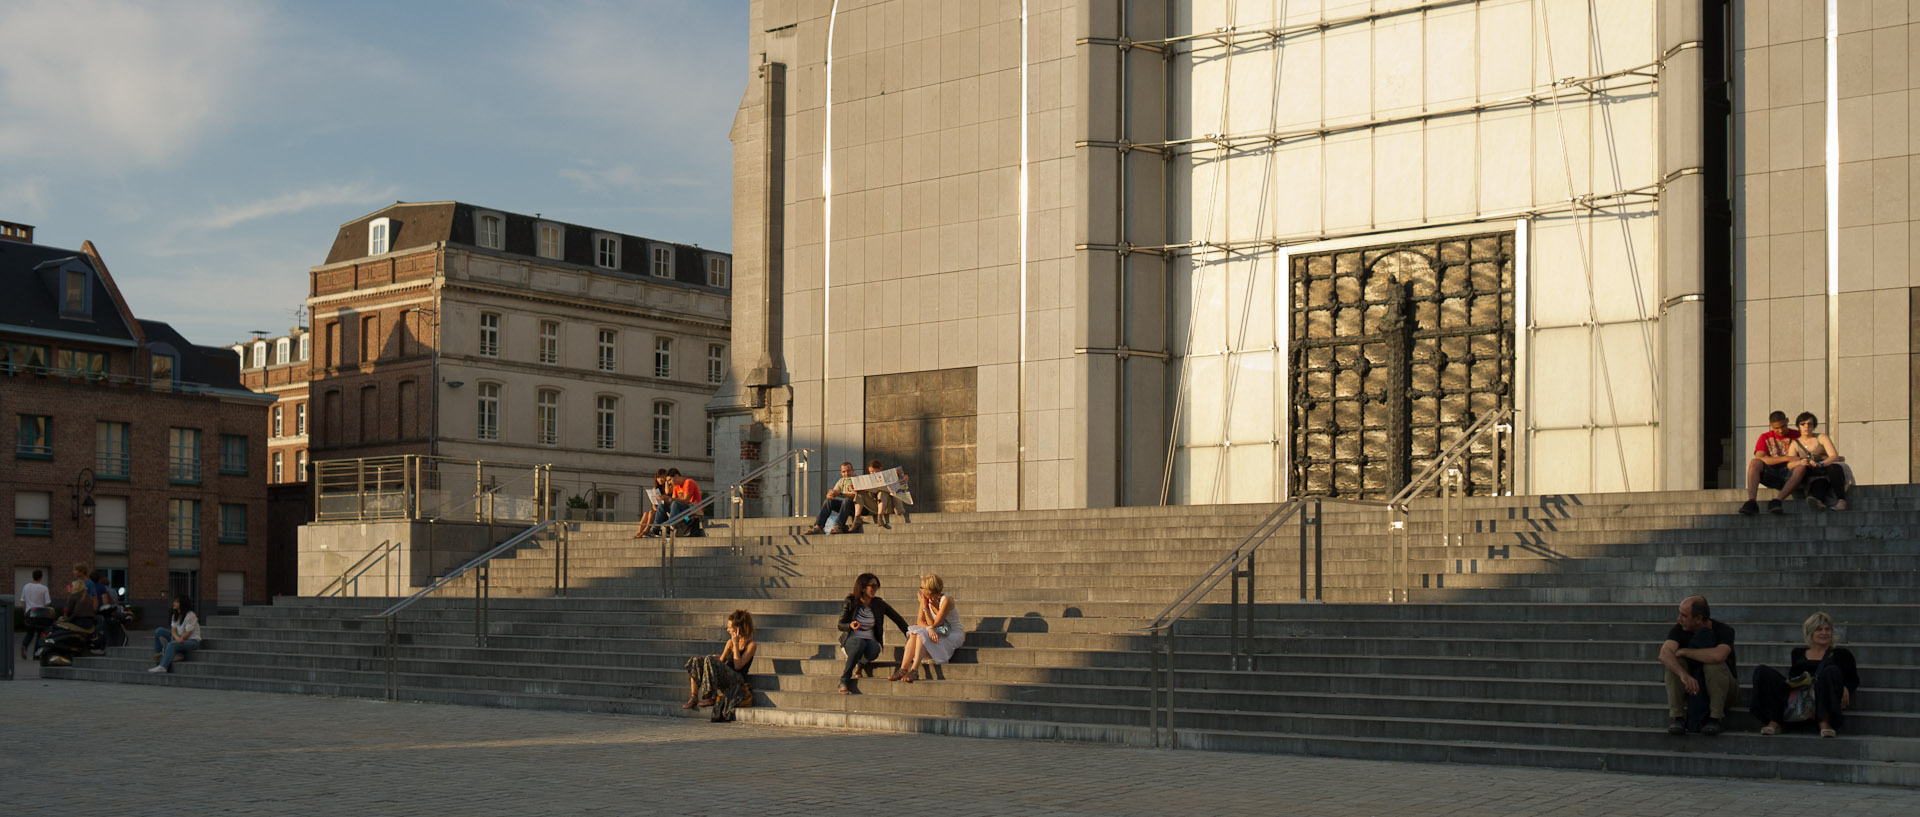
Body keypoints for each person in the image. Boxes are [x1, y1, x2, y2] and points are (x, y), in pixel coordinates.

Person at [1751, 611, 1860, 738]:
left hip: (1824, 692)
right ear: (1810, 632)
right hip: (1800, 694)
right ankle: (1775, 720)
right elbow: (1793, 677)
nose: (1824, 633)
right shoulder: (1798, 653)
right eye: (1819, 629)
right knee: (1762, 671)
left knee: (1831, 670)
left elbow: (1853, 679)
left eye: (1827, 629)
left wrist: (1845, 686)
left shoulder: (1842, 654)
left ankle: (1825, 722)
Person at [1658, 594, 1738, 736]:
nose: (1679, 619)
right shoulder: (1679, 629)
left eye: (1684, 615)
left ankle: (1715, 718)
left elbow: (1717, 656)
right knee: (1674, 665)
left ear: (1699, 619)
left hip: (1725, 691)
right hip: (1693, 689)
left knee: (1714, 665)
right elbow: (1664, 654)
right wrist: (1684, 675)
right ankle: (1678, 717)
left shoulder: (1723, 630)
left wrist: (1686, 652)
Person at [836, 572, 909, 694]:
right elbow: (840, 624)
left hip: (870, 641)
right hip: (852, 640)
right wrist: (850, 625)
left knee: (874, 649)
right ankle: (844, 680)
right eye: (872, 586)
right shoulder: (850, 601)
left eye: (877, 586)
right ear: (863, 587)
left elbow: (897, 618)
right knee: (859, 643)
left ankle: (860, 663)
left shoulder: (878, 603)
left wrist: (909, 634)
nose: (875, 589)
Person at [683, 609, 757, 721]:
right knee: (696, 660)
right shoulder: (729, 642)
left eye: (730, 627)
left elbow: (738, 666)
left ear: (739, 628)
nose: (727, 630)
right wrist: (716, 659)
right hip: (725, 675)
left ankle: (711, 697)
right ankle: (694, 696)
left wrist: (736, 644)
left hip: (737, 680)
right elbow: (720, 662)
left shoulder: (751, 645)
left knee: (709, 659)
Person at [891, 574, 962, 682]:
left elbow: (935, 623)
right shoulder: (925, 599)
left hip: (951, 633)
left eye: (922, 587)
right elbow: (919, 621)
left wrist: (924, 606)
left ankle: (914, 670)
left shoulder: (946, 600)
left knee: (921, 634)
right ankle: (903, 669)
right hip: (935, 631)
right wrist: (928, 628)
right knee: (916, 633)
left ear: (929, 589)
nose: (920, 590)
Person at [1740, 411, 1807, 515]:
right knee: (1754, 462)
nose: (1780, 430)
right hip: (1772, 473)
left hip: (1792, 474)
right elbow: (1760, 458)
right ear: (1770, 426)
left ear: (1787, 421)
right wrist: (1787, 458)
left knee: (1801, 467)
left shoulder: (1798, 435)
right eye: (1776, 428)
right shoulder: (1765, 437)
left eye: (1783, 426)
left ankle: (1777, 501)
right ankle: (1751, 502)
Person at [1786, 413, 1849, 511]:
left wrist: (1821, 464)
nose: (1806, 426)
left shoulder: (1821, 437)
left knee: (1834, 468)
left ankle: (1841, 501)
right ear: (1798, 426)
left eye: (1809, 424)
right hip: (1812, 473)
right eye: (1803, 424)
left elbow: (1834, 456)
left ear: (1814, 425)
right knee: (1819, 482)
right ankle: (1819, 502)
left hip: (1827, 468)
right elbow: (1790, 464)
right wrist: (1801, 463)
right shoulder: (1795, 444)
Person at [803, 462, 862, 535]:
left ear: (853, 470)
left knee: (847, 500)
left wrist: (840, 494)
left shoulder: (858, 480)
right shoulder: (841, 481)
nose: (846, 474)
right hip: (846, 507)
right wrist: (830, 494)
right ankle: (818, 527)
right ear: (841, 473)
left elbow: (855, 495)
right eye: (844, 472)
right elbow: (833, 493)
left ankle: (839, 526)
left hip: (859, 508)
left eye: (848, 471)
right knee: (829, 501)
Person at [149, 595, 201, 674]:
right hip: (179, 638)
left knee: (171, 645)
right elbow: (173, 630)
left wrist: (178, 639)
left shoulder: (190, 615)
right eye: (174, 601)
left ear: (182, 603)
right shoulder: (175, 615)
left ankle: (163, 666)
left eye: (177, 602)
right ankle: (159, 656)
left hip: (192, 641)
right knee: (159, 631)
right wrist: (176, 638)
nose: (174, 603)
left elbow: (188, 633)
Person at [854, 459, 908, 529]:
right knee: (859, 493)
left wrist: (903, 479)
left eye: (875, 471)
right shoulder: (869, 479)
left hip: (888, 506)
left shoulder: (888, 478)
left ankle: (880, 518)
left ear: (880, 469)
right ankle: (857, 517)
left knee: (882, 492)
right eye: (871, 472)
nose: (873, 474)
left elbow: (899, 488)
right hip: (874, 506)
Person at [16, 569, 51, 659]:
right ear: (41, 577)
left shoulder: (26, 587)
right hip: (40, 614)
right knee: (40, 634)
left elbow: (22, 601)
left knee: (30, 633)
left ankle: (25, 645)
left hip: (30, 613)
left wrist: (25, 611)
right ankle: (36, 654)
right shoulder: (44, 588)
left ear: (33, 576)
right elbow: (47, 602)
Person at [632, 470, 671, 538]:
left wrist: (663, 498)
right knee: (647, 513)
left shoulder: (669, 488)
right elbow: (653, 504)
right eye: (658, 477)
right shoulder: (656, 489)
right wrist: (656, 509)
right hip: (658, 511)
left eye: (662, 477)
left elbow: (669, 499)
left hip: (666, 513)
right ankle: (639, 532)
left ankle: (646, 531)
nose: (660, 479)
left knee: (651, 513)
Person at [666, 469, 704, 537]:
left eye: (670, 480)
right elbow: (672, 501)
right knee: (662, 507)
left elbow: (686, 500)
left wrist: (670, 499)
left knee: (675, 504)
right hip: (684, 513)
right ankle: (656, 530)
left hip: (694, 510)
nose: (669, 483)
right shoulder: (676, 487)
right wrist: (665, 498)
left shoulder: (688, 482)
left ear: (676, 476)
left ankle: (670, 526)